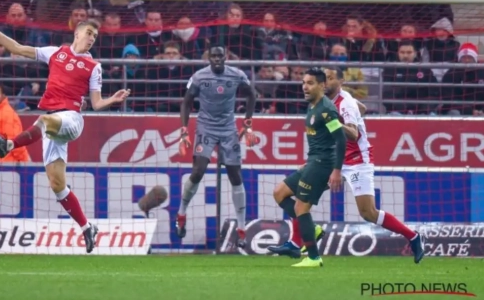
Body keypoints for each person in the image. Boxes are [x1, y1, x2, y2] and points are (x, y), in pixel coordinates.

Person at [0, 14, 130, 253]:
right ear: (77, 33)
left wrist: (112, 99)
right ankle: (87, 227)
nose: (92, 38)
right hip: (52, 125)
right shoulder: (55, 53)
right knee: (57, 185)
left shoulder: (94, 67)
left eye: (95, 36)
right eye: (89, 33)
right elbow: (17, 48)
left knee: (43, 120)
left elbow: (96, 103)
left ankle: (8, 145)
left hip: (71, 120)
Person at [324, 67, 425, 263]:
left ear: (341, 81)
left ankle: (413, 236)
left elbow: (353, 134)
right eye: (324, 78)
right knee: (302, 187)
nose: (325, 82)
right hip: (336, 157)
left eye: (330, 78)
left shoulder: (345, 103)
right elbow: (362, 108)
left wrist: (334, 122)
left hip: (357, 160)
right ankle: (300, 241)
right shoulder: (332, 100)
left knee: (368, 213)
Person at [177, 45, 258, 248]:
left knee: (235, 175)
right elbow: (186, 102)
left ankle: (241, 230)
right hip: (206, 128)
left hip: (228, 129)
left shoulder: (237, 75)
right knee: (198, 171)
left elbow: (252, 94)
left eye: (220, 56)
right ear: (208, 58)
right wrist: (184, 130)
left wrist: (248, 122)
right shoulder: (199, 77)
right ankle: (181, 214)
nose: (217, 59)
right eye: (213, 56)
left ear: (226, 57)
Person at [267, 67, 346, 267]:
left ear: (322, 85)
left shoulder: (326, 110)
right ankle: (312, 228)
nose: (305, 87)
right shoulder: (312, 105)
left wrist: (337, 170)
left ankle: (313, 257)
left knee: (301, 207)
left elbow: (341, 140)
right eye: (303, 83)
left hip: (323, 164)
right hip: (314, 161)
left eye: (310, 83)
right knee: (279, 193)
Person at [0, 83, 29, 163]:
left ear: (3, 96)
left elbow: (16, 144)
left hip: (6, 166)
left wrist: (24, 164)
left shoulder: (7, 114)